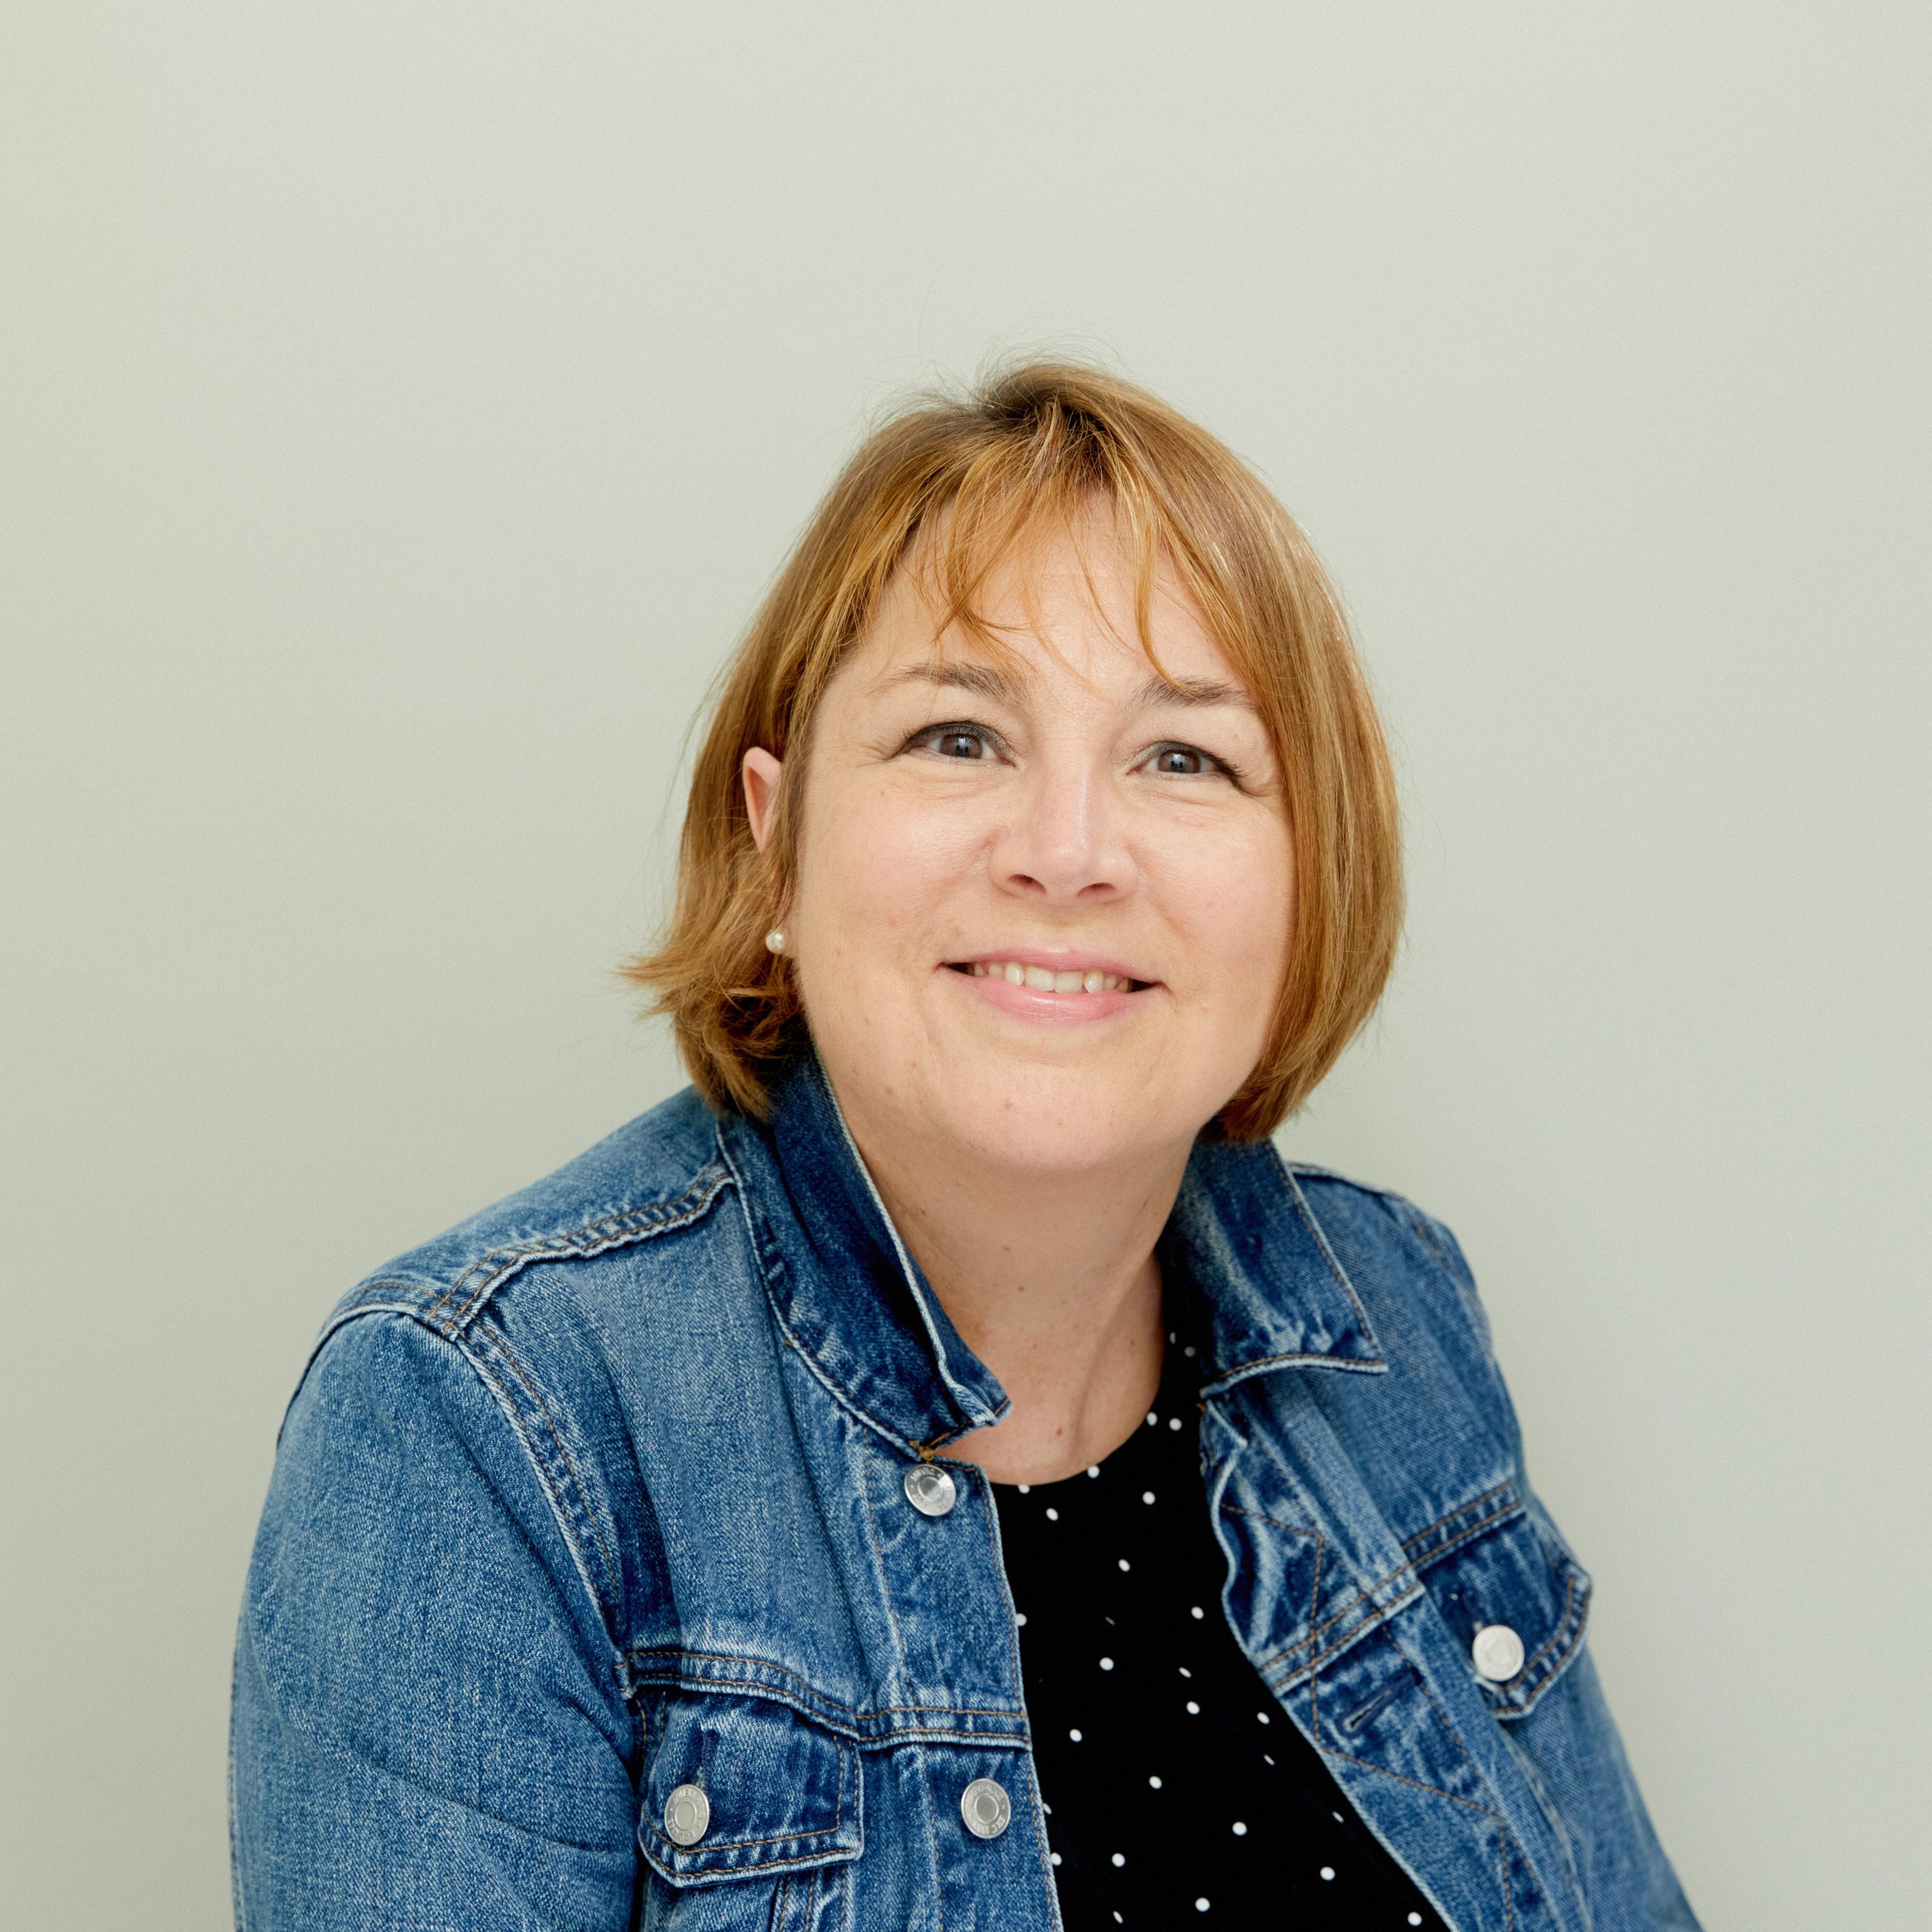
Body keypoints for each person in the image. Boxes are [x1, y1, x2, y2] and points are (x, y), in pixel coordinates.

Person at [230, 363, 1699, 1931]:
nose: (1067, 853)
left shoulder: (1391, 1309)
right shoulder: (483, 1423)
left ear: (1307, 879)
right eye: (957, 736)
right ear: (776, 842)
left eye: (1184, 757)